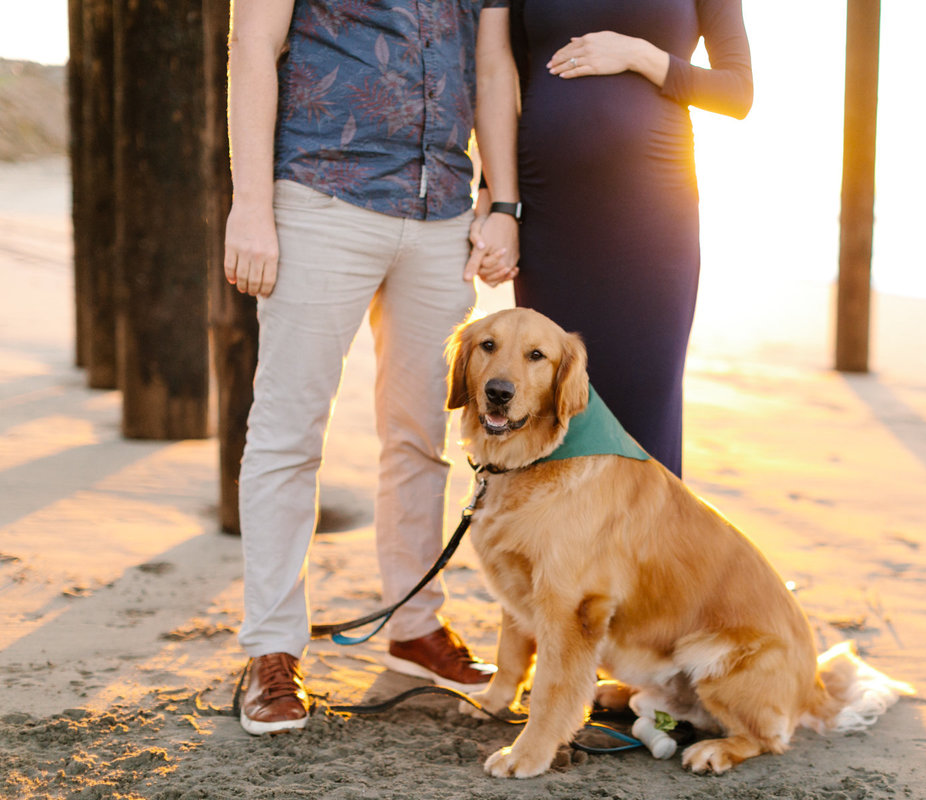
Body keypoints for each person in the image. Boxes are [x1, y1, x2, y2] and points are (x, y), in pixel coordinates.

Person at [223, 0, 520, 735]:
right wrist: (251, 204)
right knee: (289, 431)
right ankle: (270, 649)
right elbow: (254, 42)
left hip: (443, 211)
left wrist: (502, 201)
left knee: (421, 435)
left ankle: (415, 628)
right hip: (322, 195)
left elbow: (490, 63)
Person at [475, 0, 753, 478]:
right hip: (550, 217)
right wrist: (496, 200)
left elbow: (737, 91)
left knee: (643, 410)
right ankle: (549, 551)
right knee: (545, 404)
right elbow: (506, 79)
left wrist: (639, 54)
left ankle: (645, 550)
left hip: (652, 220)